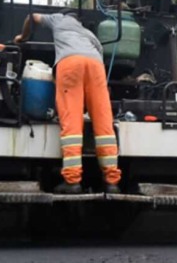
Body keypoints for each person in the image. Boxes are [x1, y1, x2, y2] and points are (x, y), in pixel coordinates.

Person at [15, 12, 121, 195]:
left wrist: (22, 37)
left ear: (66, 16)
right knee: (104, 123)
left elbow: (31, 16)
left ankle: (72, 181)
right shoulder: (90, 35)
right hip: (96, 66)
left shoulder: (58, 19)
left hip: (71, 64)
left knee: (71, 123)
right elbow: (99, 56)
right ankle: (112, 182)